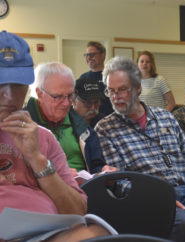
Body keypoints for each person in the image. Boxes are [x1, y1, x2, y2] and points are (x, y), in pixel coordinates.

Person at [95, 56, 185, 242]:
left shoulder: (166, 118)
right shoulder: (106, 129)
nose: (115, 97)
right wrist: (159, 199)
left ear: (138, 88)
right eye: (111, 91)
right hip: (146, 199)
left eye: (122, 89)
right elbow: (119, 181)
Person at [0, 31, 112, 241]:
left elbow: (77, 210)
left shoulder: (43, 137)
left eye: (17, 85)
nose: (8, 95)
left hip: (46, 234)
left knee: (97, 234)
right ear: (40, 93)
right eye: (0, 82)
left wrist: (37, 159)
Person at [25, 62, 105, 174]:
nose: (66, 103)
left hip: (86, 187)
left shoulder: (80, 125)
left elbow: (96, 164)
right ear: (39, 94)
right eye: (58, 97)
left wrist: (103, 171)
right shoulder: (23, 126)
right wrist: (60, 175)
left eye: (70, 95)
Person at [80, 41, 113, 116]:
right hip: (89, 122)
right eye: (86, 55)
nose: (88, 58)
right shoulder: (83, 78)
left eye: (92, 55)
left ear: (103, 55)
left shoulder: (111, 76)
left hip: (109, 121)